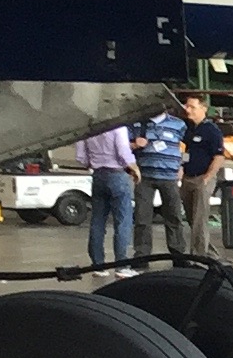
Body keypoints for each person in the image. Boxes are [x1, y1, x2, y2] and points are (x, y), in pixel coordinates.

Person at [74, 117, 138, 275]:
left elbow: (81, 157)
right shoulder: (118, 127)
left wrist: (93, 163)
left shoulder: (88, 129)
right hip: (117, 174)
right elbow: (123, 152)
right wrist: (135, 168)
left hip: (98, 175)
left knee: (97, 221)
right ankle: (122, 265)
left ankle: (98, 265)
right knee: (123, 221)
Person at [130, 98, 190, 263]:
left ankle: (178, 256)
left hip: (169, 176)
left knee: (174, 217)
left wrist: (183, 165)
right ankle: (141, 256)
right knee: (142, 218)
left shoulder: (179, 124)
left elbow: (187, 145)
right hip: (145, 176)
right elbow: (122, 145)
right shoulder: (137, 124)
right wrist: (135, 144)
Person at [179, 95, 227, 255]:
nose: (187, 109)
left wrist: (207, 177)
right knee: (192, 219)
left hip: (202, 177)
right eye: (187, 106)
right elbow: (186, 151)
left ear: (203, 109)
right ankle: (210, 254)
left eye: (192, 107)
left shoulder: (211, 131)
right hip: (188, 177)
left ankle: (198, 256)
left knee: (200, 220)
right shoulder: (188, 129)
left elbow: (219, 156)